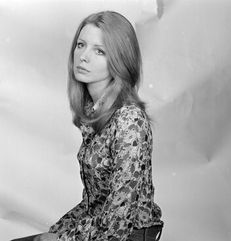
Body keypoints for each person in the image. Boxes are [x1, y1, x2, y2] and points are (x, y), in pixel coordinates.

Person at [11, 10, 163, 241]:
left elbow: (117, 222)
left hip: (127, 236)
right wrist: (56, 232)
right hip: (99, 228)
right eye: (81, 45)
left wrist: (60, 240)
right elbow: (95, 204)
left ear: (119, 60)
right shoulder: (95, 113)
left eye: (99, 51)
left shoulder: (129, 120)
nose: (83, 56)